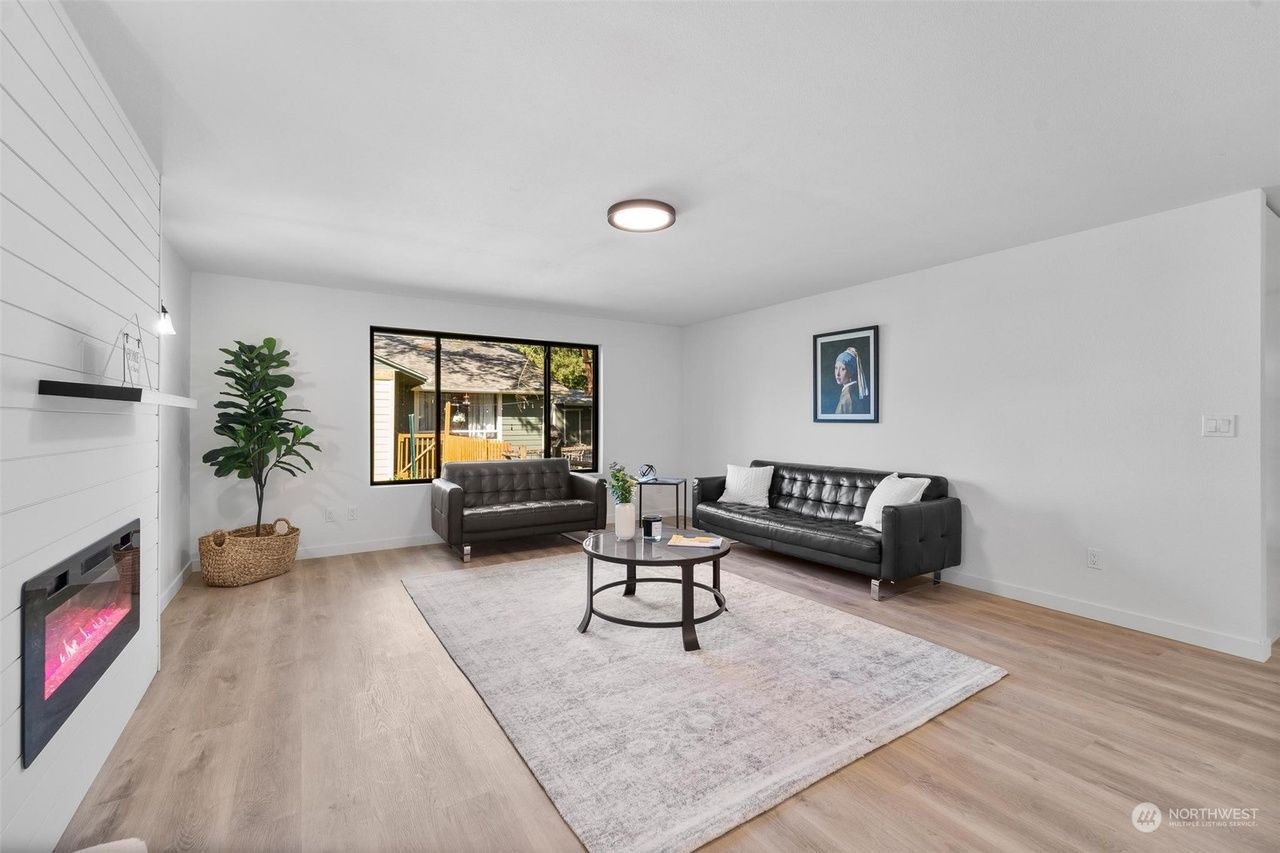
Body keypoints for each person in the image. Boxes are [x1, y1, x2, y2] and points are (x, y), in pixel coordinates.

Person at [833, 347, 868, 414]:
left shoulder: (847, 397)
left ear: (851, 371)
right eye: (836, 368)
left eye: (843, 369)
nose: (837, 374)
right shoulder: (848, 394)